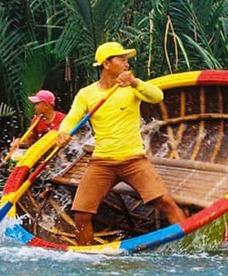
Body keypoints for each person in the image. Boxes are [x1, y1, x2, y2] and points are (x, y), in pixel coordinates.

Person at [56, 42, 186, 245]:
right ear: (106, 64)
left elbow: (157, 96)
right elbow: (72, 118)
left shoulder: (132, 87)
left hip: (133, 159)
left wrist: (135, 83)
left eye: (127, 60)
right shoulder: (87, 94)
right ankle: (87, 259)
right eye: (122, 59)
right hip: (102, 162)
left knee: (165, 202)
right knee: (81, 215)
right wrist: (63, 132)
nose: (126, 64)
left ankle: (187, 242)